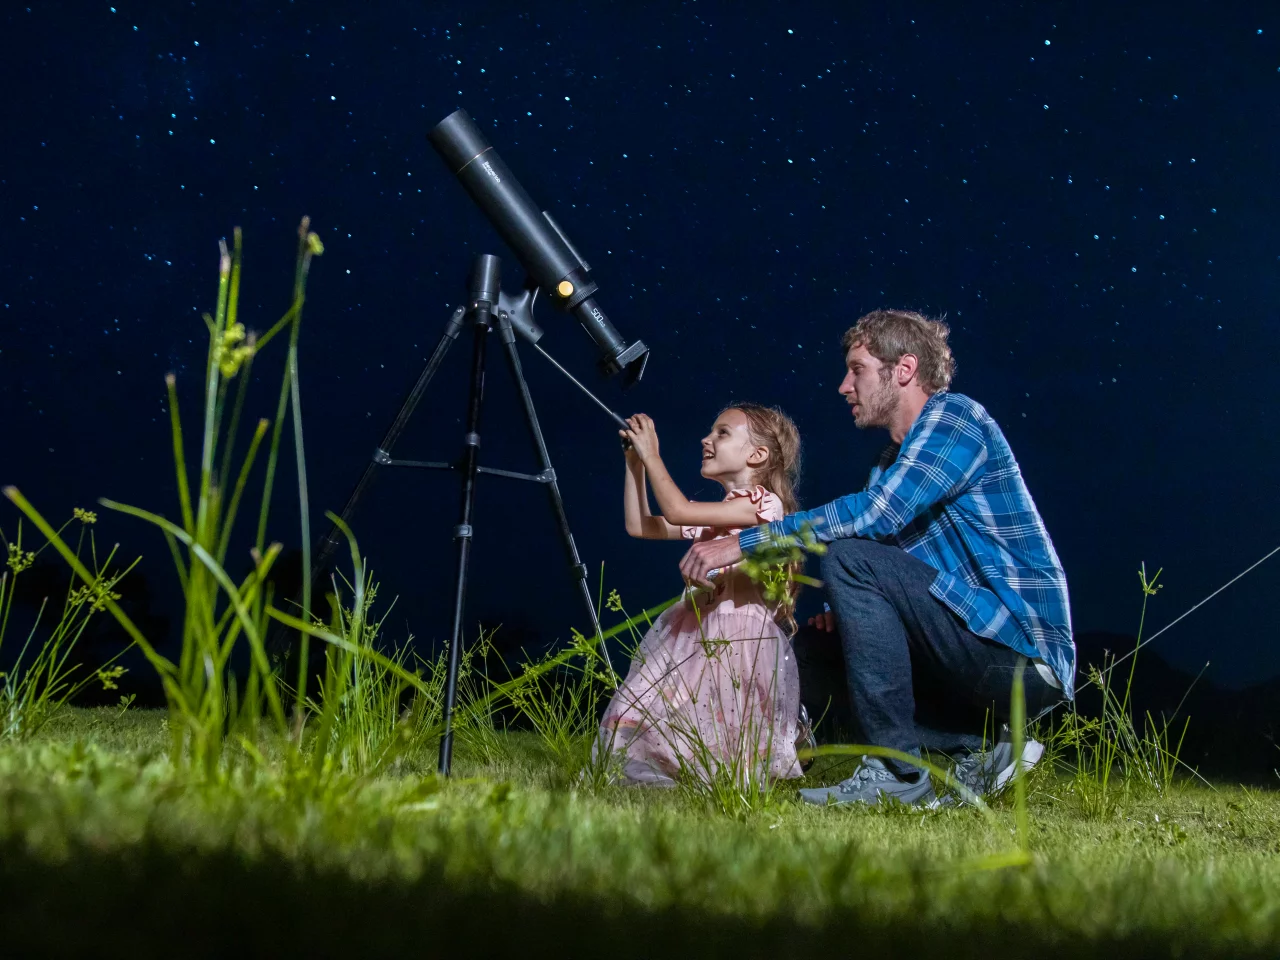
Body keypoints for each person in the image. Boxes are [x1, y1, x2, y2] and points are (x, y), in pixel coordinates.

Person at [678, 310, 1074, 807]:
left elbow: (878, 515)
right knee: (806, 652)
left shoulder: (958, 419)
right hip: (961, 645)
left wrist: (746, 541)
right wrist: (853, 617)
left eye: (857, 369)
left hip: (1019, 656)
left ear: (903, 369)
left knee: (849, 557)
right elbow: (892, 575)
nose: (845, 386)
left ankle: (895, 771)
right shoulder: (887, 465)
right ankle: (978, 747)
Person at [596, 404, 805, 786]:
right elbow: (641, 526)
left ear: (757, 455)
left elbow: (677, 511)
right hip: (693, 633)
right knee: (639, 709)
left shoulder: (764, 505)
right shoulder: (720, 512)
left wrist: (653, 454)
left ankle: (726, 790)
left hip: (736, 639)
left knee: (720, 731)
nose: (706, 439)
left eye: (722, 433)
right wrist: (635, 465)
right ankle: (658, 782)